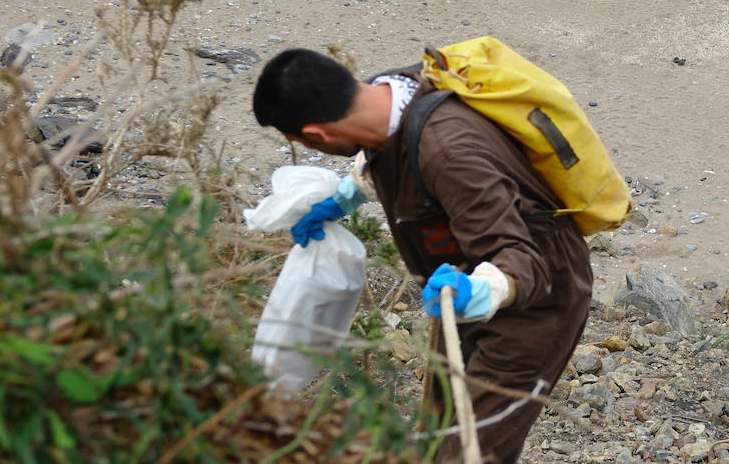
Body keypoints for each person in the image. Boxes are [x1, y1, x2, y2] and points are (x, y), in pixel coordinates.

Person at [251, 48, 593, 464]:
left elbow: (521, 258)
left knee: (470, 451)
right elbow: (386, 150)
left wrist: (479, 292)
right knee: (439, 431)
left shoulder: (449, 154)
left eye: (304, 142)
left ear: (317, 135)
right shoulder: (391, 94)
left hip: (535, 304)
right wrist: (345, 196)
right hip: (463, 282)